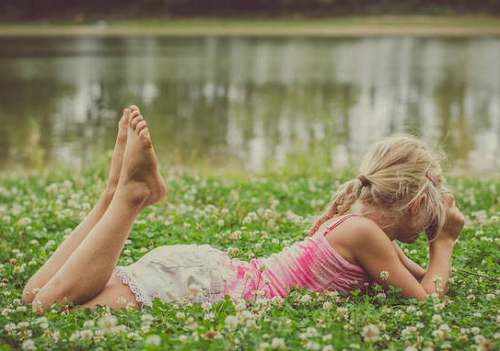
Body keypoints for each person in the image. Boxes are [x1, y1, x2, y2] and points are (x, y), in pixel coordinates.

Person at [21, 105, 465, 312]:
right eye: (433, 206)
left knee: (32, 299)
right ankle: (129, 195)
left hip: (202, 275)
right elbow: (428, 298)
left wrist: (433, 244)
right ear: (412, 204)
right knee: (49, 310)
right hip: (205, 288)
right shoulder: (364, 234)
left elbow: (417, 282)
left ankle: (112, 192)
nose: (436, 216)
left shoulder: (365, 231)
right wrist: (442, 242)